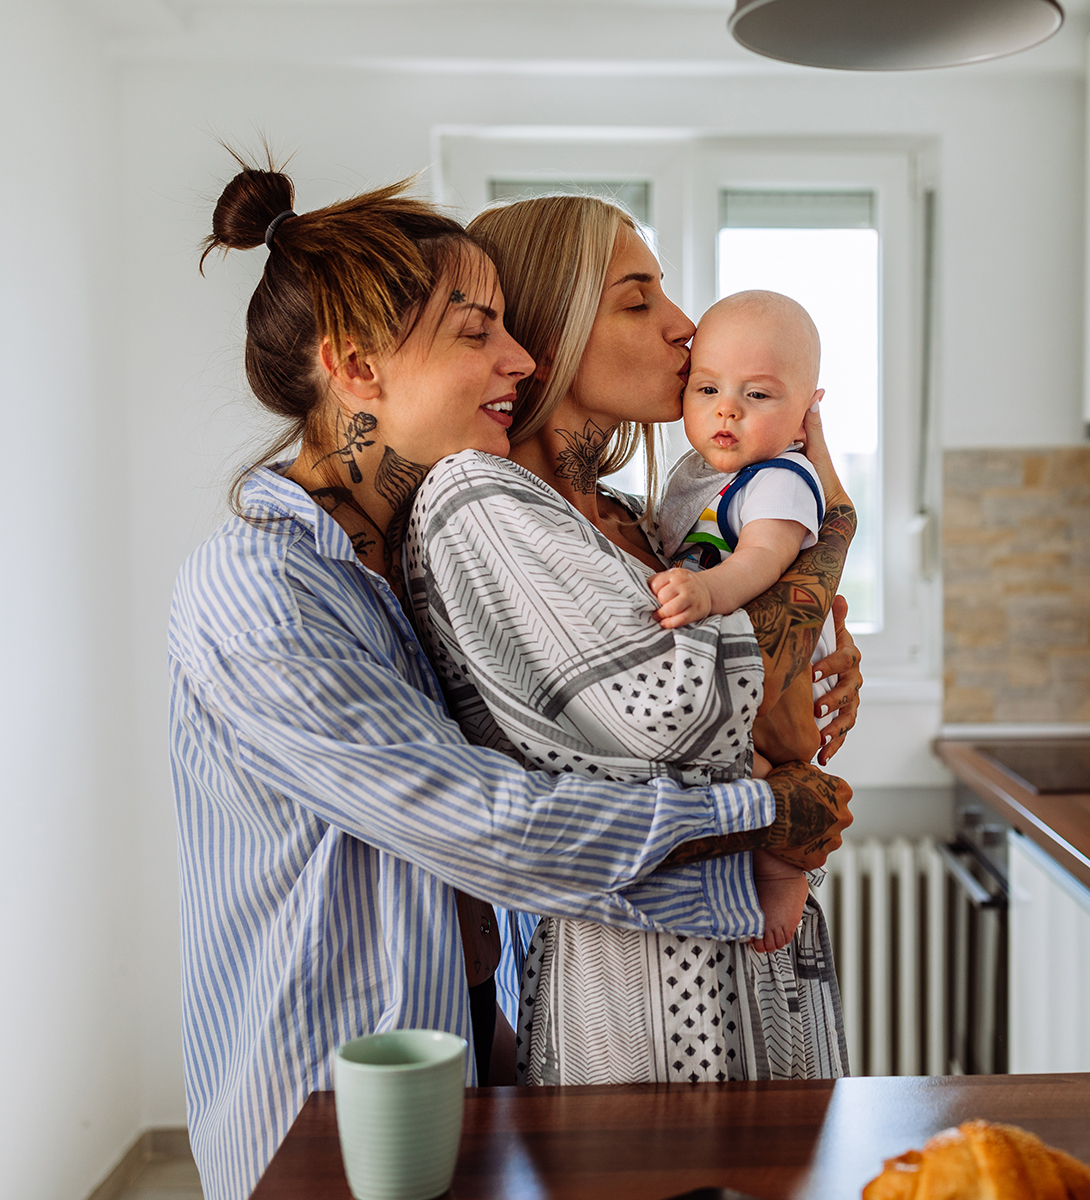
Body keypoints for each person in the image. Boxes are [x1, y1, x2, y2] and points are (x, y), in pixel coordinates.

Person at [168, 158, 858, 1200]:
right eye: (477, 332)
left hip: (451, 1056)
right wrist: (762, 812)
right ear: (356, 365)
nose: (521, 359)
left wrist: (800, 620)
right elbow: (486, 821)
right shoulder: (261, 585)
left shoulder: (387, 555)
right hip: (312, 1095)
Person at [405, 194, 859, 1085]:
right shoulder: (483, 501)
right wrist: (828, 538)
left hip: (759, 961)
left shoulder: (639, 520)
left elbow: (758, 711)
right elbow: (684, 713)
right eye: (638, 298)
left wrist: (806, 660)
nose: (685, 327)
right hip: (644, 989)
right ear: (553, 323)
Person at [648, 288, 839, 951]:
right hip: (743, 665)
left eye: (758, 395)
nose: (727, 407)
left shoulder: (780, 477)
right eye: (707, 389)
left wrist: (705, 592)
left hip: (787, 680)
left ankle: (787, 870)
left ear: (803, 419)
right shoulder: (696, 475)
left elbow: (764, 556)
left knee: (781, 771)